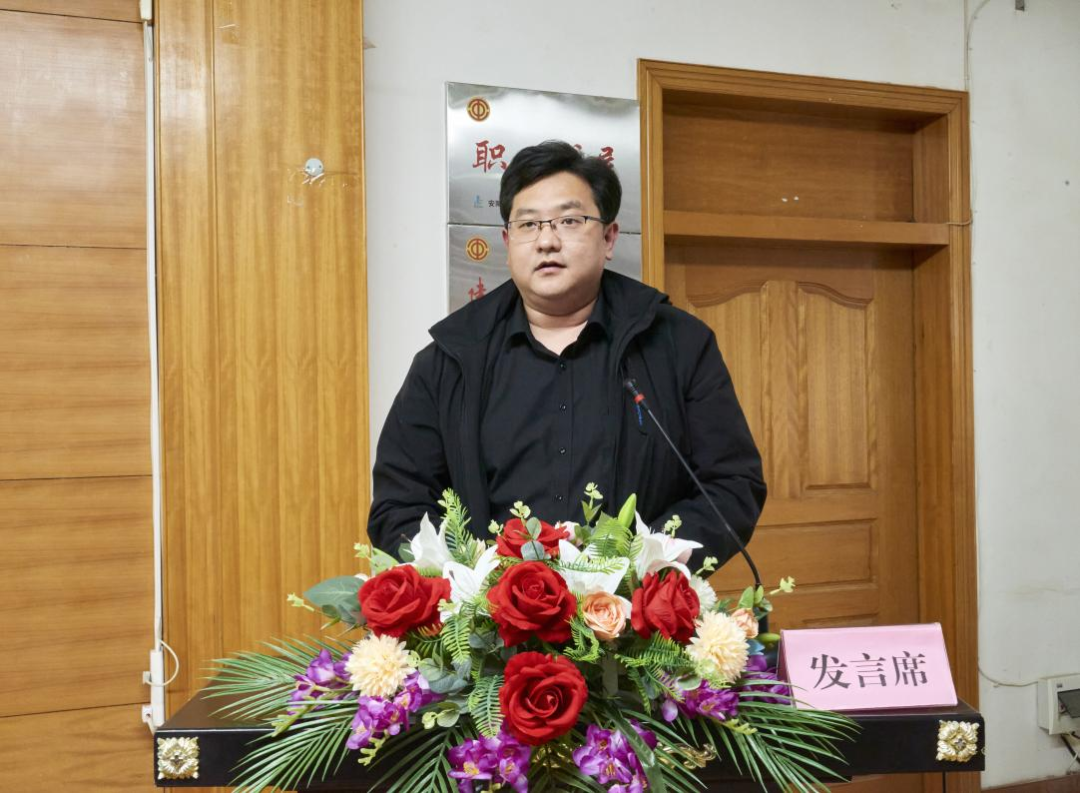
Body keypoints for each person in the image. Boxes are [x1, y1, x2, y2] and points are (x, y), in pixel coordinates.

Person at [368, 140, 765, 570]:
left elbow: (731, 485)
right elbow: (399, 503)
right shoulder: (449, 360)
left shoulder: (679, 344)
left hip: (638, 607)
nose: (546, 241)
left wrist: (645, 564)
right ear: (507, 242)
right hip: (488, 609)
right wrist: (469, 581)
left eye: (569, 221)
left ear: (609, 237)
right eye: (528, 224)